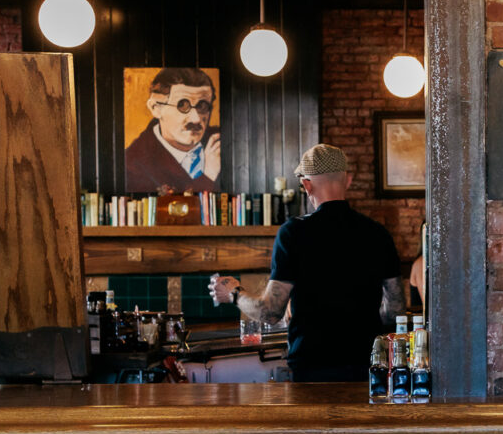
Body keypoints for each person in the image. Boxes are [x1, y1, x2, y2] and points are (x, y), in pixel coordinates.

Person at [209, 145, 404, 383]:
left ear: (306, 185)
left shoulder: (293, 233)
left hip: (312, 370)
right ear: (348, 180)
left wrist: (234, 293)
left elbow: (270, 312)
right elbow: (395, 310)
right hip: (368, 369)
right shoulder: (378, 234)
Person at [125, 66, 221, 193]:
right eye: (183, 105)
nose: (196, 119)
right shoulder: (134, 163)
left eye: (202, 106)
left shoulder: (222, 142)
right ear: (156, 108)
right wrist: (207, 177)